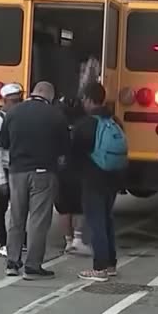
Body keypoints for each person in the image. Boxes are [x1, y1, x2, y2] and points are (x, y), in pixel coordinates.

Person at [0, 81, 69, 279]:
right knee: (38, 221)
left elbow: (3, 144)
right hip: (43, 173)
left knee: (16, 218)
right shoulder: (56, 115)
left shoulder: (13, 113)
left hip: (17, 172)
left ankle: (12, 263)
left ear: (33, 93)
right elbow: (64, 151)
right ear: (50, 97)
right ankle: (32, 267)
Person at [72, 82, 124, 282]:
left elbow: (74, 152)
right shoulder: (115, 121)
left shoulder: (86, 124)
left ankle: (99, 268)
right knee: (107, 219)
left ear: (87, 99)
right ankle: (111, 264)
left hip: (93, 178)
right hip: (113, 177)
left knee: (96, 223)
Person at [0, 83, 24, 259]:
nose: (17, 104)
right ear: (4, 101)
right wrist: (1, 179)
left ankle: (19, 240)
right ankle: (2, 243)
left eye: (19, 100)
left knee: (19, 206)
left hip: (15, 168)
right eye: (13, 101)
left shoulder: (16, 117)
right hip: (2, 169)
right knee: (1, 207)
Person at [56, 94, 89, 257]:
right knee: (79, 207)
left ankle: (68, 241)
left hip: (61, 170)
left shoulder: (57, 123)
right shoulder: (84, 124)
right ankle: (78, 239)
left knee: (63, 208)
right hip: (80, 169)